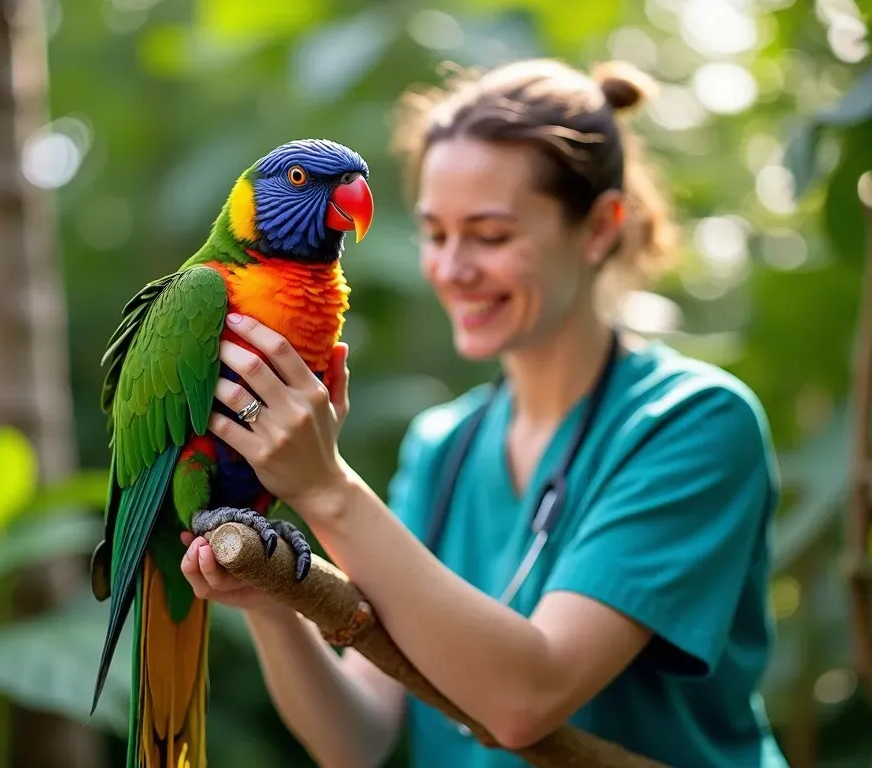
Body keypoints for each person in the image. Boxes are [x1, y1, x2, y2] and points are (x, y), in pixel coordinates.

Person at [179, 56, 790, 768]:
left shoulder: (694, 423)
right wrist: (272, 601)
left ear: (599, 229)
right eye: (436, 234)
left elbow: (525, 699)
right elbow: (355, 740)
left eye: (491, 236)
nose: (452, 268)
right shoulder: (445, 447)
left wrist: (325, 488)